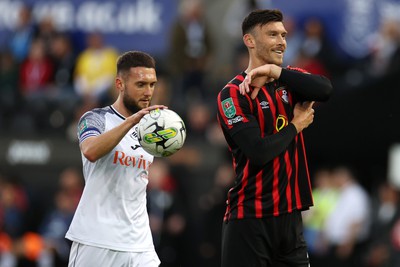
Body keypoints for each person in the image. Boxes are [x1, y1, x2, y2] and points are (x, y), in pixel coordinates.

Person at [216, 9, 333, 267]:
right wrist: (295, 126)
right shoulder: (233, 94)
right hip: (250, 219)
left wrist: (274, 71)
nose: (281, 41)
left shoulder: (288, 80)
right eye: (272, 34)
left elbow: (325, 89)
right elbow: (258, 151)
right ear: (250, 41)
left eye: (283, 35)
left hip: (291, 219)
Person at [65, 51, 166, 267]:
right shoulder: (95, 118)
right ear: (119, 84)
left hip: (139, 242)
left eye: (152, 84)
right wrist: (131, 122)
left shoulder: (150, 127)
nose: (148, 92)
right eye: (140, 84)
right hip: (96, 240)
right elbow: (90, 151)